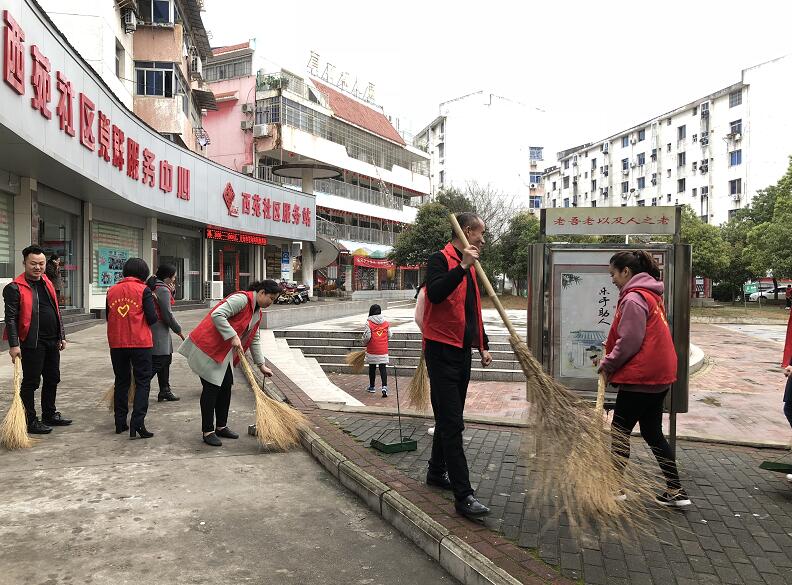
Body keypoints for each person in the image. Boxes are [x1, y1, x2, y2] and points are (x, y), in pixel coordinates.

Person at [596, 250, 691, 507]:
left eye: (613, 274)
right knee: (652, 432)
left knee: (619, 432)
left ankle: (615, 489)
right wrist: (611, 348)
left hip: (642, 377)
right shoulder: (650, 295)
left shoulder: (633, 298)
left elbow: (631, 341)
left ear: (626, 272)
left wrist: (607, 363)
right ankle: (675, 490)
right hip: (660, 376)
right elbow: (640, 335)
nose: (613, 280)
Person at [423, 212, 492, 519]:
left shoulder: (472, 266)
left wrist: (482, 344)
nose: (483, 239)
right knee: (452, 423)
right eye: (480, 234)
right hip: (440, 351)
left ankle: (437, 471)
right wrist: (462, 265)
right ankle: (464, 495)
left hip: (462, 351)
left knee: (449, 417)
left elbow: (471, 308)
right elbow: (436, 295)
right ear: (467, 231)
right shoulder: (440, 260)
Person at [179, 280, 280, 447]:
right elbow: (217, 314)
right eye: (271, 298)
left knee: (226, 387)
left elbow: (254, 338)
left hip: (223, 353)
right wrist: (233, 335)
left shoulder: (257, 312)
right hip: (208, 347)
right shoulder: (242, 300)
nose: (271, 302)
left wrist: (261, 364)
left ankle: (221, 426)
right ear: (261, 292)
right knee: (211, 389)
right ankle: (208, 431)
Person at [2, 245, 69, 433]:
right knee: (31, 382)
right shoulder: (14, 288)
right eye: (33, 264)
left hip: (51, 341)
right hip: (32, 342)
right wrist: (14, 345)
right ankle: (30, 420)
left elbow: (56, 311)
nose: (38, 267)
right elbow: (11, 318)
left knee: (52, 378)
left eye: (41, 263)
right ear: (24, 263)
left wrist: (61, 335)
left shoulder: (47, 282)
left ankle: (50, 413)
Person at [106, 257, 158, 438]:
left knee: (121, 381)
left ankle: (120, 423)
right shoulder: (144, 290)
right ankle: (138, 423)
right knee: (143, 382)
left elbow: (108, 316)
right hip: (140, 343)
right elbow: (152, 318)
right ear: (143, 273)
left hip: (117, 343)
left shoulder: (111, 290)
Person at [146, 265, 184, 402]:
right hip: (158, 330)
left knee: (166, 359)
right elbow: (167, 314)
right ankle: (139, 384)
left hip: (157, 328)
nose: (174, 279)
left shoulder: (157, 286)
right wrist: (177, 328)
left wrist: (172, 293)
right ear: (167, 278)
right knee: (160, 360)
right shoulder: (162, 289)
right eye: (173, 277)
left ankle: (165, 390)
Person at [362, 304, 392, 397]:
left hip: (373, 349)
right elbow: (390, 334)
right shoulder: (386, 322)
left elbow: (367, 336)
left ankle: (372, 387)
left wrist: (364, 342)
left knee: (372, 367)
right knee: (383, 368)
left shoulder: (369, 322)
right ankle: (384, 387)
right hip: (383, 349)